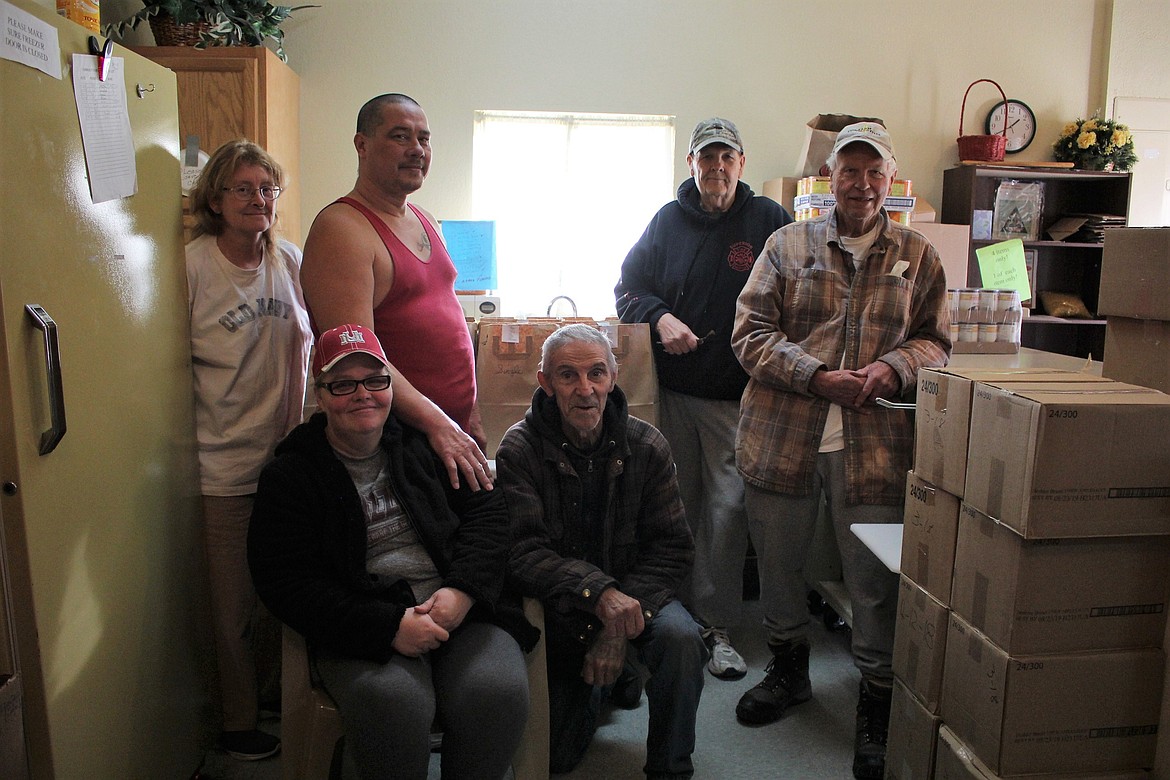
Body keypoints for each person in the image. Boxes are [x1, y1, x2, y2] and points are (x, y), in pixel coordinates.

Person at [731, 123, 950, 779]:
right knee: (778, 566)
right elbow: (749, 333)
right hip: (780, 439)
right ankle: (789, 670)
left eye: (873, 173)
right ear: (831, 178)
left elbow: (936, 338)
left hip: (877, 448)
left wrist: (891, 368)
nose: (861, 184)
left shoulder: (918, 253)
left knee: (876, 584)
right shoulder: (785, 243)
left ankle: (876, 705)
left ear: (890, 180)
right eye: (849, 172)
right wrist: (816, 375)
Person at [248, 324, 537, 779]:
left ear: (390, 387)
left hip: (458, 612)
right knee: (395, 706)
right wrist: (388, 626)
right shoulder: (291, 476)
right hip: (363, 624)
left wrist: (462, 593)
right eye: (343, 384)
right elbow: (285, 583)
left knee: (496, 693)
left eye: (375, 380)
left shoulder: (428, 445)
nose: (363, 394)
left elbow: (489, 516)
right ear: (320, 396)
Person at [615, 117, 792, 680]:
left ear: (742, 164)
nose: (717, 167)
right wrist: (660, 317)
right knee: (674, 507)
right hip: (668, 395)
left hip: (735, 399)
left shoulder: (767, 219)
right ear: (690, 164)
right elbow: (627, 289)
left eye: (727, 157)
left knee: (726, 509)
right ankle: (671, 621)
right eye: (706, 157)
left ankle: (715, 627)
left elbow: (802, 285)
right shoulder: (667, 221)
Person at [497, 323, 707, 779]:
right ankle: (609, 683)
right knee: (556, 757)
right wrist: (598, 596)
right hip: (562, 607)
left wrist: (614, 626)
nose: (584, 389)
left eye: (596, 374)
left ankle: (671, 769)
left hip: (637, 598)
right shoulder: (519, 448)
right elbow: (523, 554)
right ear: (546, 383)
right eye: (567, 376)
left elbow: (672, 548)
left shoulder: (648, 445)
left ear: (613, 377)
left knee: (682, 640)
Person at [186, 138, 313, 761]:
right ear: (215, 197)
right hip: (222, 464)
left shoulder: (288, 260)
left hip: (283, 461)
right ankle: (237, 722)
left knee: (275, 595)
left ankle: (268, 700)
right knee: (230, 605)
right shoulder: (191, 267)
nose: (258, 200)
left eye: (267, 189)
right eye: (243, 189)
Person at [300, 92, 492, 494]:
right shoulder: (343, 229)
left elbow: (447, 319)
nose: (417, 150)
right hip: (397, 443)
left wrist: (468, 410)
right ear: (362, 145)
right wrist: (440, 424)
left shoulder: (426, 218)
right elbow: (358, 363)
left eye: (424, 139)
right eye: (400, 137)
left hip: (446, 434)